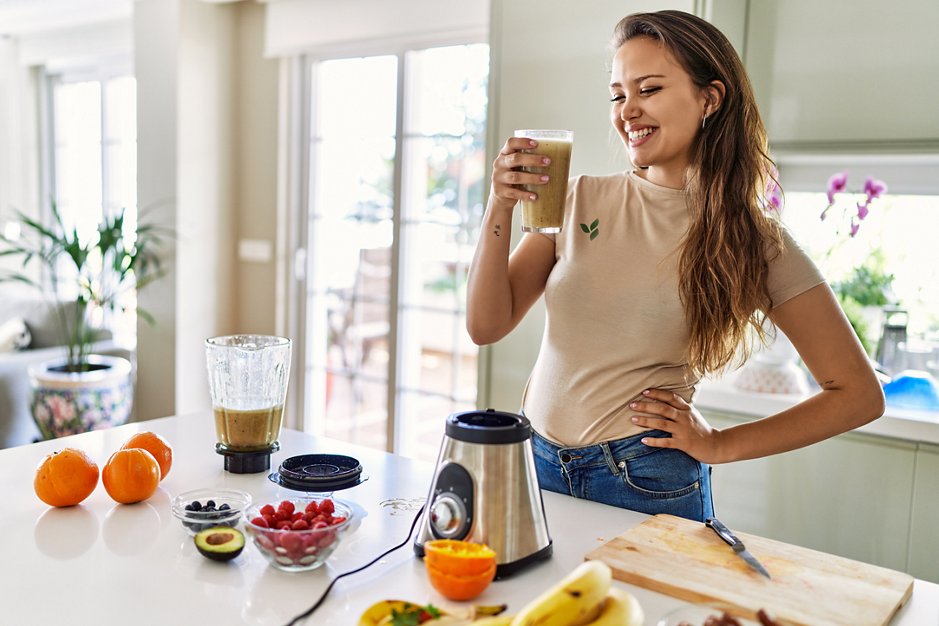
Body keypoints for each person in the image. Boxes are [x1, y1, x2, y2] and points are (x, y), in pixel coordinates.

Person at [465, 10, 884, 522]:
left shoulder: (752, 239)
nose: (628, 111)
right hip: (536, 460)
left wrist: (719, 445)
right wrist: (499, 205)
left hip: (643, 478)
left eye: (649, 89)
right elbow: (486, 325)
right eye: (619, 95)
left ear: (710, 98)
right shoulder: (577, 199)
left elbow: (859, 395)